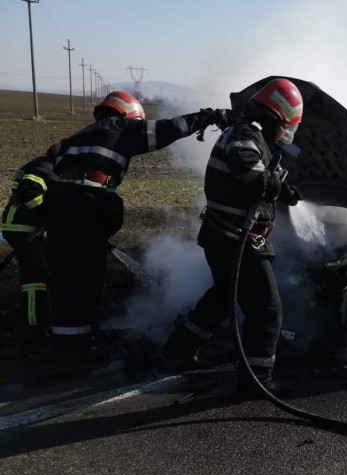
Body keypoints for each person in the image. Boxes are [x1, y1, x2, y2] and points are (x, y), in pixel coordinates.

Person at [45, 90, 230, 357]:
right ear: (128, 113)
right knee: (86, 275)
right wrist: (205, 118)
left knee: (66, 275)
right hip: (88, 200)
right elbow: (168, 129)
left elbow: (48, 162)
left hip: (59, 203)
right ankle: (76, 349)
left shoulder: (75, 137)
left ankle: (65, 340)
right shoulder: (121, 127)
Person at [159, 78, 304, 399]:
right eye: (287, 127)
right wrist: (274, 185)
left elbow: (260, 174)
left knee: (224, 296)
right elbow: (246, 164)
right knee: (266, 311)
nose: (286, 135)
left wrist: (282, 186)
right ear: (278, 116)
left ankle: (176, 350)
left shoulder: (254, 133)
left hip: (223, 236)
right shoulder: (244, 133)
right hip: (237, 238)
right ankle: (257, 382)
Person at [0, 155, 53, 332]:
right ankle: (35, 323)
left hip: (25, 227)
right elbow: (29, 189)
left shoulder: (44, 165)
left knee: (48, 268)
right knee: (36, 275)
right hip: (21, 227)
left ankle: (49, 311)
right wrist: (48, 214)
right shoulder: (45, 167)